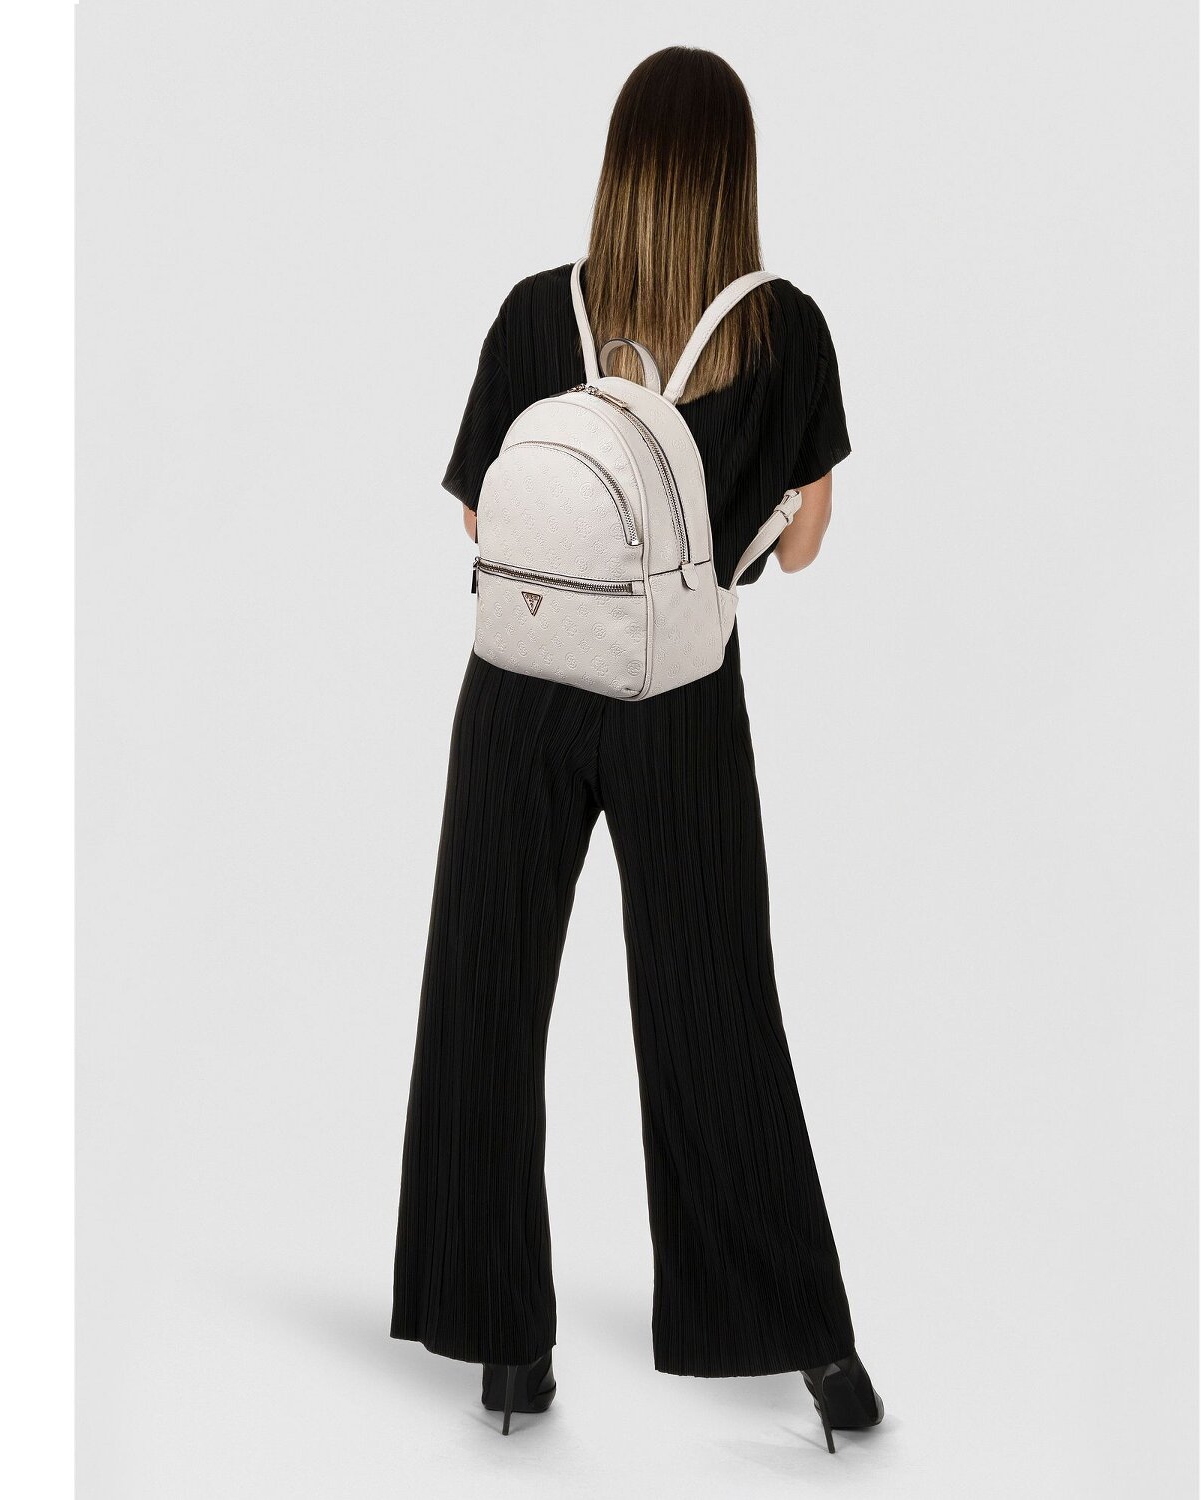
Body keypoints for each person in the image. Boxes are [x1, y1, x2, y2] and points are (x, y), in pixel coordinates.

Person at [390, 45, 884, 1452]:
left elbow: (482, 515)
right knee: (716, 1012)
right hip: (681, 702)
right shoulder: (781, 329)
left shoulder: (532, 312)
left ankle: (504, 1351)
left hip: (518, 693)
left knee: (484, 1001)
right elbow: (804, 541)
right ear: (734, 176)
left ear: (616, 166)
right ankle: (817, 1356)